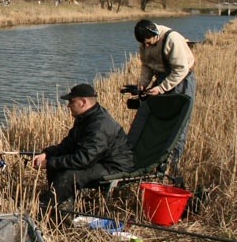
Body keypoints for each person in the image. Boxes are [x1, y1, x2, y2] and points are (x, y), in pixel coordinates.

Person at [31, 83, 134, 211]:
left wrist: (49, 163)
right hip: (98, 160)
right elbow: (68, 145)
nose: (68, 105)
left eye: (71, 101)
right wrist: (47, 154)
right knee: (57, 163)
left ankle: (47, 208)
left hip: (113, 166)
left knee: (68, 175)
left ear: (83, 102)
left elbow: (84, 160)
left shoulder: (99, 125)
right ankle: (63, 203)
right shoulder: (85, 118)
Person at [129, 19, 196, 160]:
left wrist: (161, 88)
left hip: (181, 80)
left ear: (155, 34)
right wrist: (143, 84)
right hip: (161, 77)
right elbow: (147, 65)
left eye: (148, 42)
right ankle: (142, 156)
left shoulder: (172, 39)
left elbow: (181, 69)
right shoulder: (144, 42)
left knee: (178, 124)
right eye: (143, 43)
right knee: (147, 114)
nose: (146, 45)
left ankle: (172, 163)